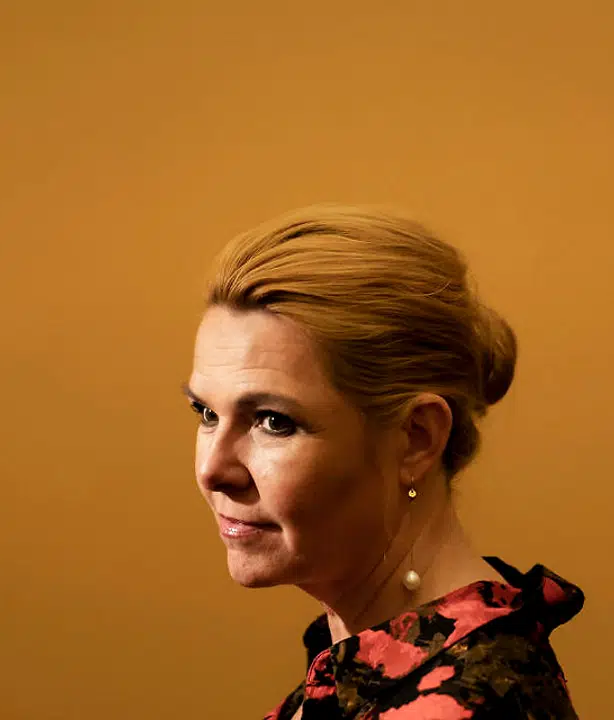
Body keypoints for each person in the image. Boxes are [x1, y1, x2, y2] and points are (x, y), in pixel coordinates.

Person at [185, 204, 584, 719]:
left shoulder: (461, 706)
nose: (212, 470)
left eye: (273, 422)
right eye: (206, 413)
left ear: (417, 439)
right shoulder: (377, 668)